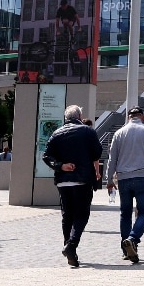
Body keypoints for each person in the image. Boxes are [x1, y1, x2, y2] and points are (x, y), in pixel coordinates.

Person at [41, 104, 102, 268]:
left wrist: (60, 165)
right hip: (82, 179)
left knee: (67, 215)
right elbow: (97, 152)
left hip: (63, 180)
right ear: (80, 117)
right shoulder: (88, 131)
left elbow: (46, 156)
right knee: (82, 214)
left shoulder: (56, 133)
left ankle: (69, 249)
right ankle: (71, 245)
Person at [106, 106, 144, 264]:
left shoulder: (119, 133)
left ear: (128, 117)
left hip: (123, 178)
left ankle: (125, 250)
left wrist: (109, 180)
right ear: (142, 117)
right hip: (142, 177)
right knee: (143, 212)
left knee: (125, 214)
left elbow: (112, 159)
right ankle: (133, 238)